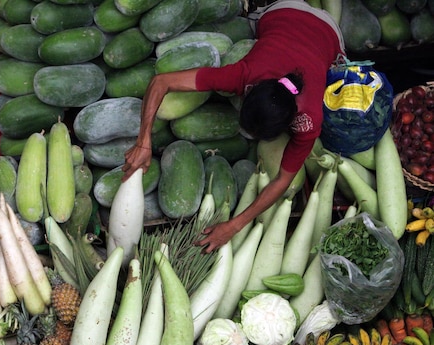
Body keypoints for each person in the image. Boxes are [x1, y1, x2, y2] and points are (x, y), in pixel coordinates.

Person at [121, 0, 345, 253]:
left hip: (326, 30)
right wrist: (144, 140)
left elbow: (283, 180)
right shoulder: (243, 73)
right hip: (285, 12)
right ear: (248, 91)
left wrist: (234, 225)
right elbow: (160, 82)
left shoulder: (308, 121)